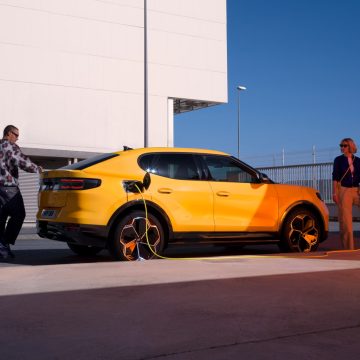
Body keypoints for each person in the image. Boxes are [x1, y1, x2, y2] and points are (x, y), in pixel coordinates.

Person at [0, 125, 42, 259]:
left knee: (2, 218)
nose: (17, 138)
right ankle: (4, 244)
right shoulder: (9, 146)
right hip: (8, 188)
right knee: (19, 214)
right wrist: (37, 169)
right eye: (16, 135)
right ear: (8, 133)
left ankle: (2, 249)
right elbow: (21, 161)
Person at [332, 138, 360, 250]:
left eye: (344, 145)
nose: (342, 148)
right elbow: (335, 177)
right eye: (341, 145)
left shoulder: (358, 160)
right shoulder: (338, 160)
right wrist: (334, 193)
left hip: (357, 189)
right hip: (344, 190)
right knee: (346, 222)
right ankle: (349, 249)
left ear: (350, 147)